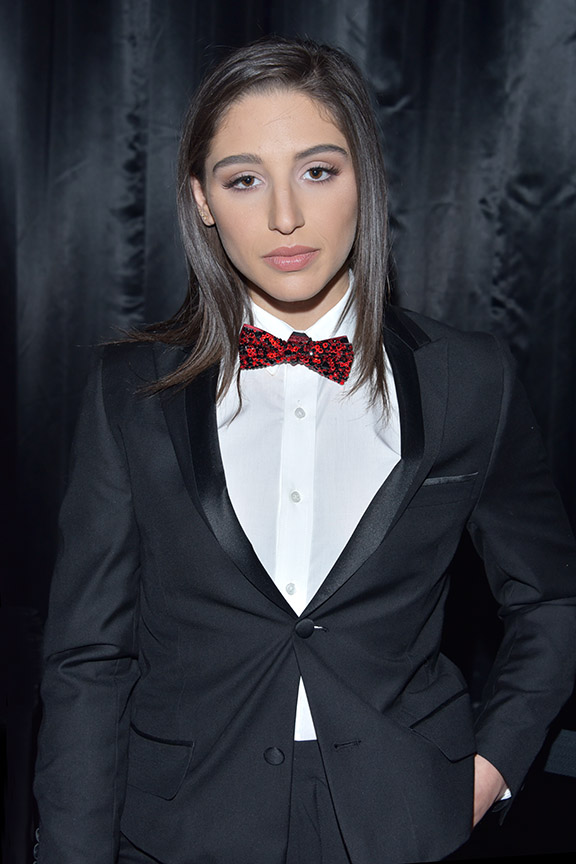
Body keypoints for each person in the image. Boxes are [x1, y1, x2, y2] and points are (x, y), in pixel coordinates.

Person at [33, 36, 576, 864]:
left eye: (318, 171)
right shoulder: (131, 390)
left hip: (403, 823)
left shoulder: (471, 380)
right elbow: (89, 657)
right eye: (244, 179)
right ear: (203, 200)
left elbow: (552, 599)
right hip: (180, 829)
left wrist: (491, 769)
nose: (285, 214)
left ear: (365, 178)